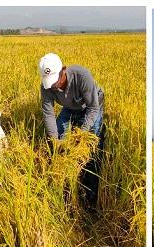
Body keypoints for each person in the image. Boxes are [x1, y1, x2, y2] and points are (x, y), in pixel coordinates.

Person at [38, 53, 105, 206]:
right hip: (69, 108)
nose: (54, 87)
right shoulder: (46, 86)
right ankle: (63, 186)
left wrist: (82, 134)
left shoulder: (82, 76)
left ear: (64, 70)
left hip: (91, 106)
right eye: (51, 84)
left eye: (56, 82)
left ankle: (90, 188)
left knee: (91, 148)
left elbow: (93, 108)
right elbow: (48, 114)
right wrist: (55, 141)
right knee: (57, 144)